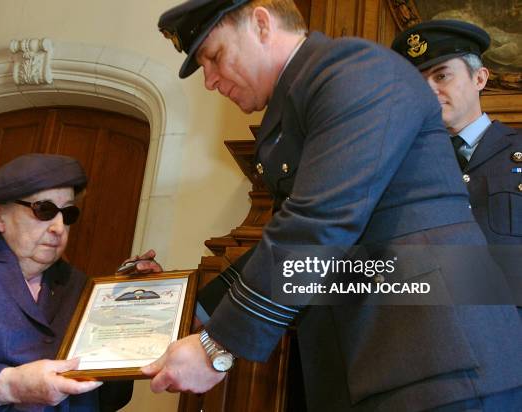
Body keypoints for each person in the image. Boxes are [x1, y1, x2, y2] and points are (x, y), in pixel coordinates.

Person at [143, 1, 522, 411]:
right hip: (389, 365)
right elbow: (297, 231)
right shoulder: (305, 94)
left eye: (215, 58)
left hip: (443, 366)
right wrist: (185, 305)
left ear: (261, 24)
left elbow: (318, 224)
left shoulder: (354, 70)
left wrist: (217, 345)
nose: (211, 81)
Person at [0, 153, 160, 411]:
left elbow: (108, 399)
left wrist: (127, 311)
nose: (59, 227)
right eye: (45, 210)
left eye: (68, 214)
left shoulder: (80, 285)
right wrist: (8, 387)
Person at [391, 19, 522, 246]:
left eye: (441, 76)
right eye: (418, 82)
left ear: (479, 78)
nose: (429, 90)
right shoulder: (400, 161)